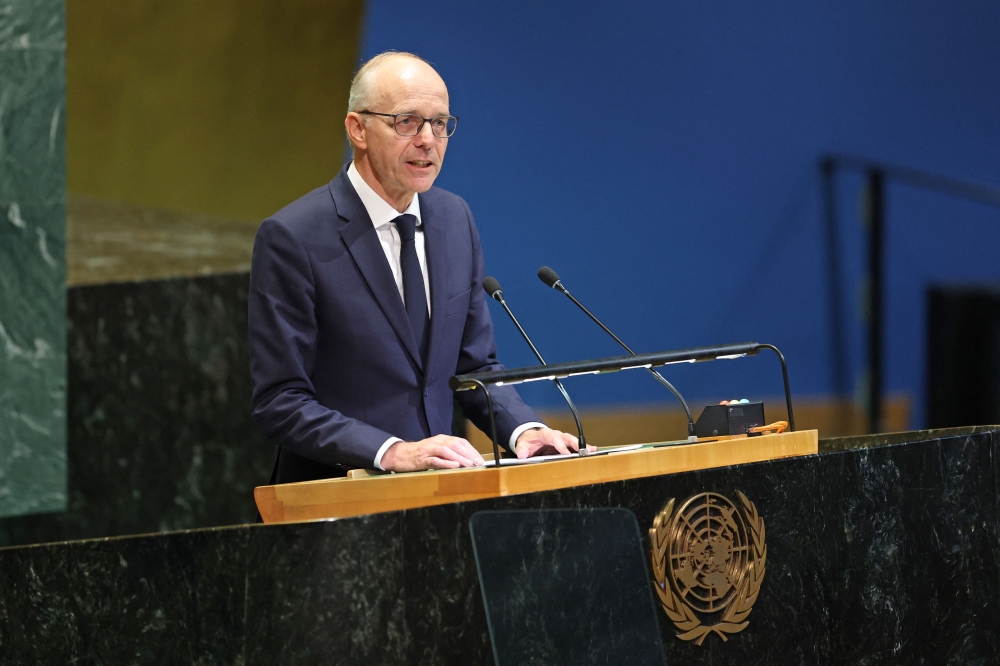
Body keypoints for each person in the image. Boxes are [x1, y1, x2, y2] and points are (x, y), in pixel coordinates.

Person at [248, 51, 579, 482]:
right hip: (335, 506)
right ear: (358, 129)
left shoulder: (454, 218)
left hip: (437, 498)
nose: (428, 140)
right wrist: (391, 451)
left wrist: (523, 430)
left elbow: (473, 366)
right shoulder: (294, 236)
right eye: (407, 121)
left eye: (439, 123)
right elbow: (281, 400)